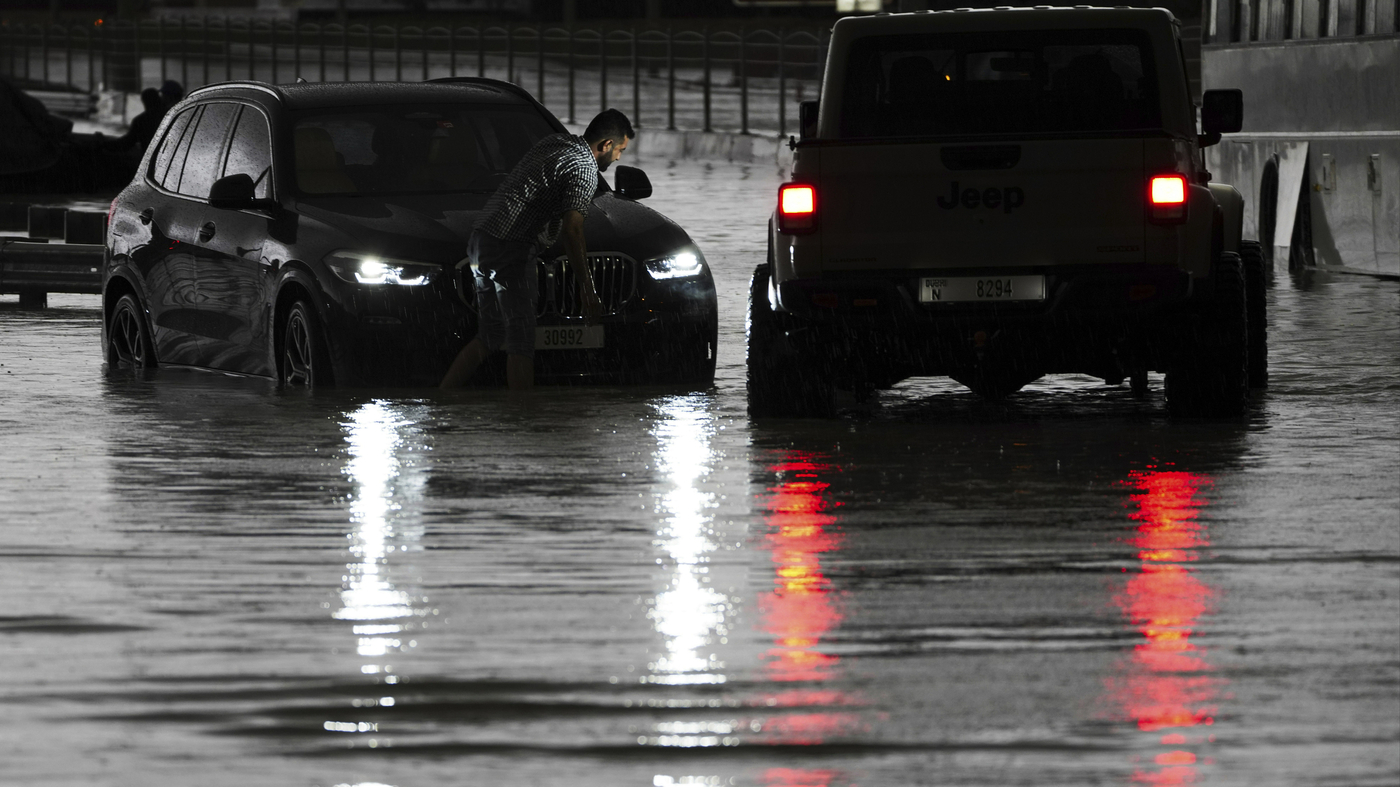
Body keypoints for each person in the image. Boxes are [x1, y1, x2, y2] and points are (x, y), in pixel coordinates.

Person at [439, 108, 635, 390]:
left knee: (491, 334)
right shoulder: (584, 169)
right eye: (620, 150)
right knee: (522, 341)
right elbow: (573, 230)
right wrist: (587, 289)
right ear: (606, 145)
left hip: (481, 239)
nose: (618, 158)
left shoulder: (554, 142)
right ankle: (524, 420)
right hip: (512, 245)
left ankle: (443, 400)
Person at [104, 87, 165, 155]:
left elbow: (127, 143)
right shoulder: (171, 115)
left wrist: (105, 144)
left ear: (145, 102)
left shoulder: (141, 121)